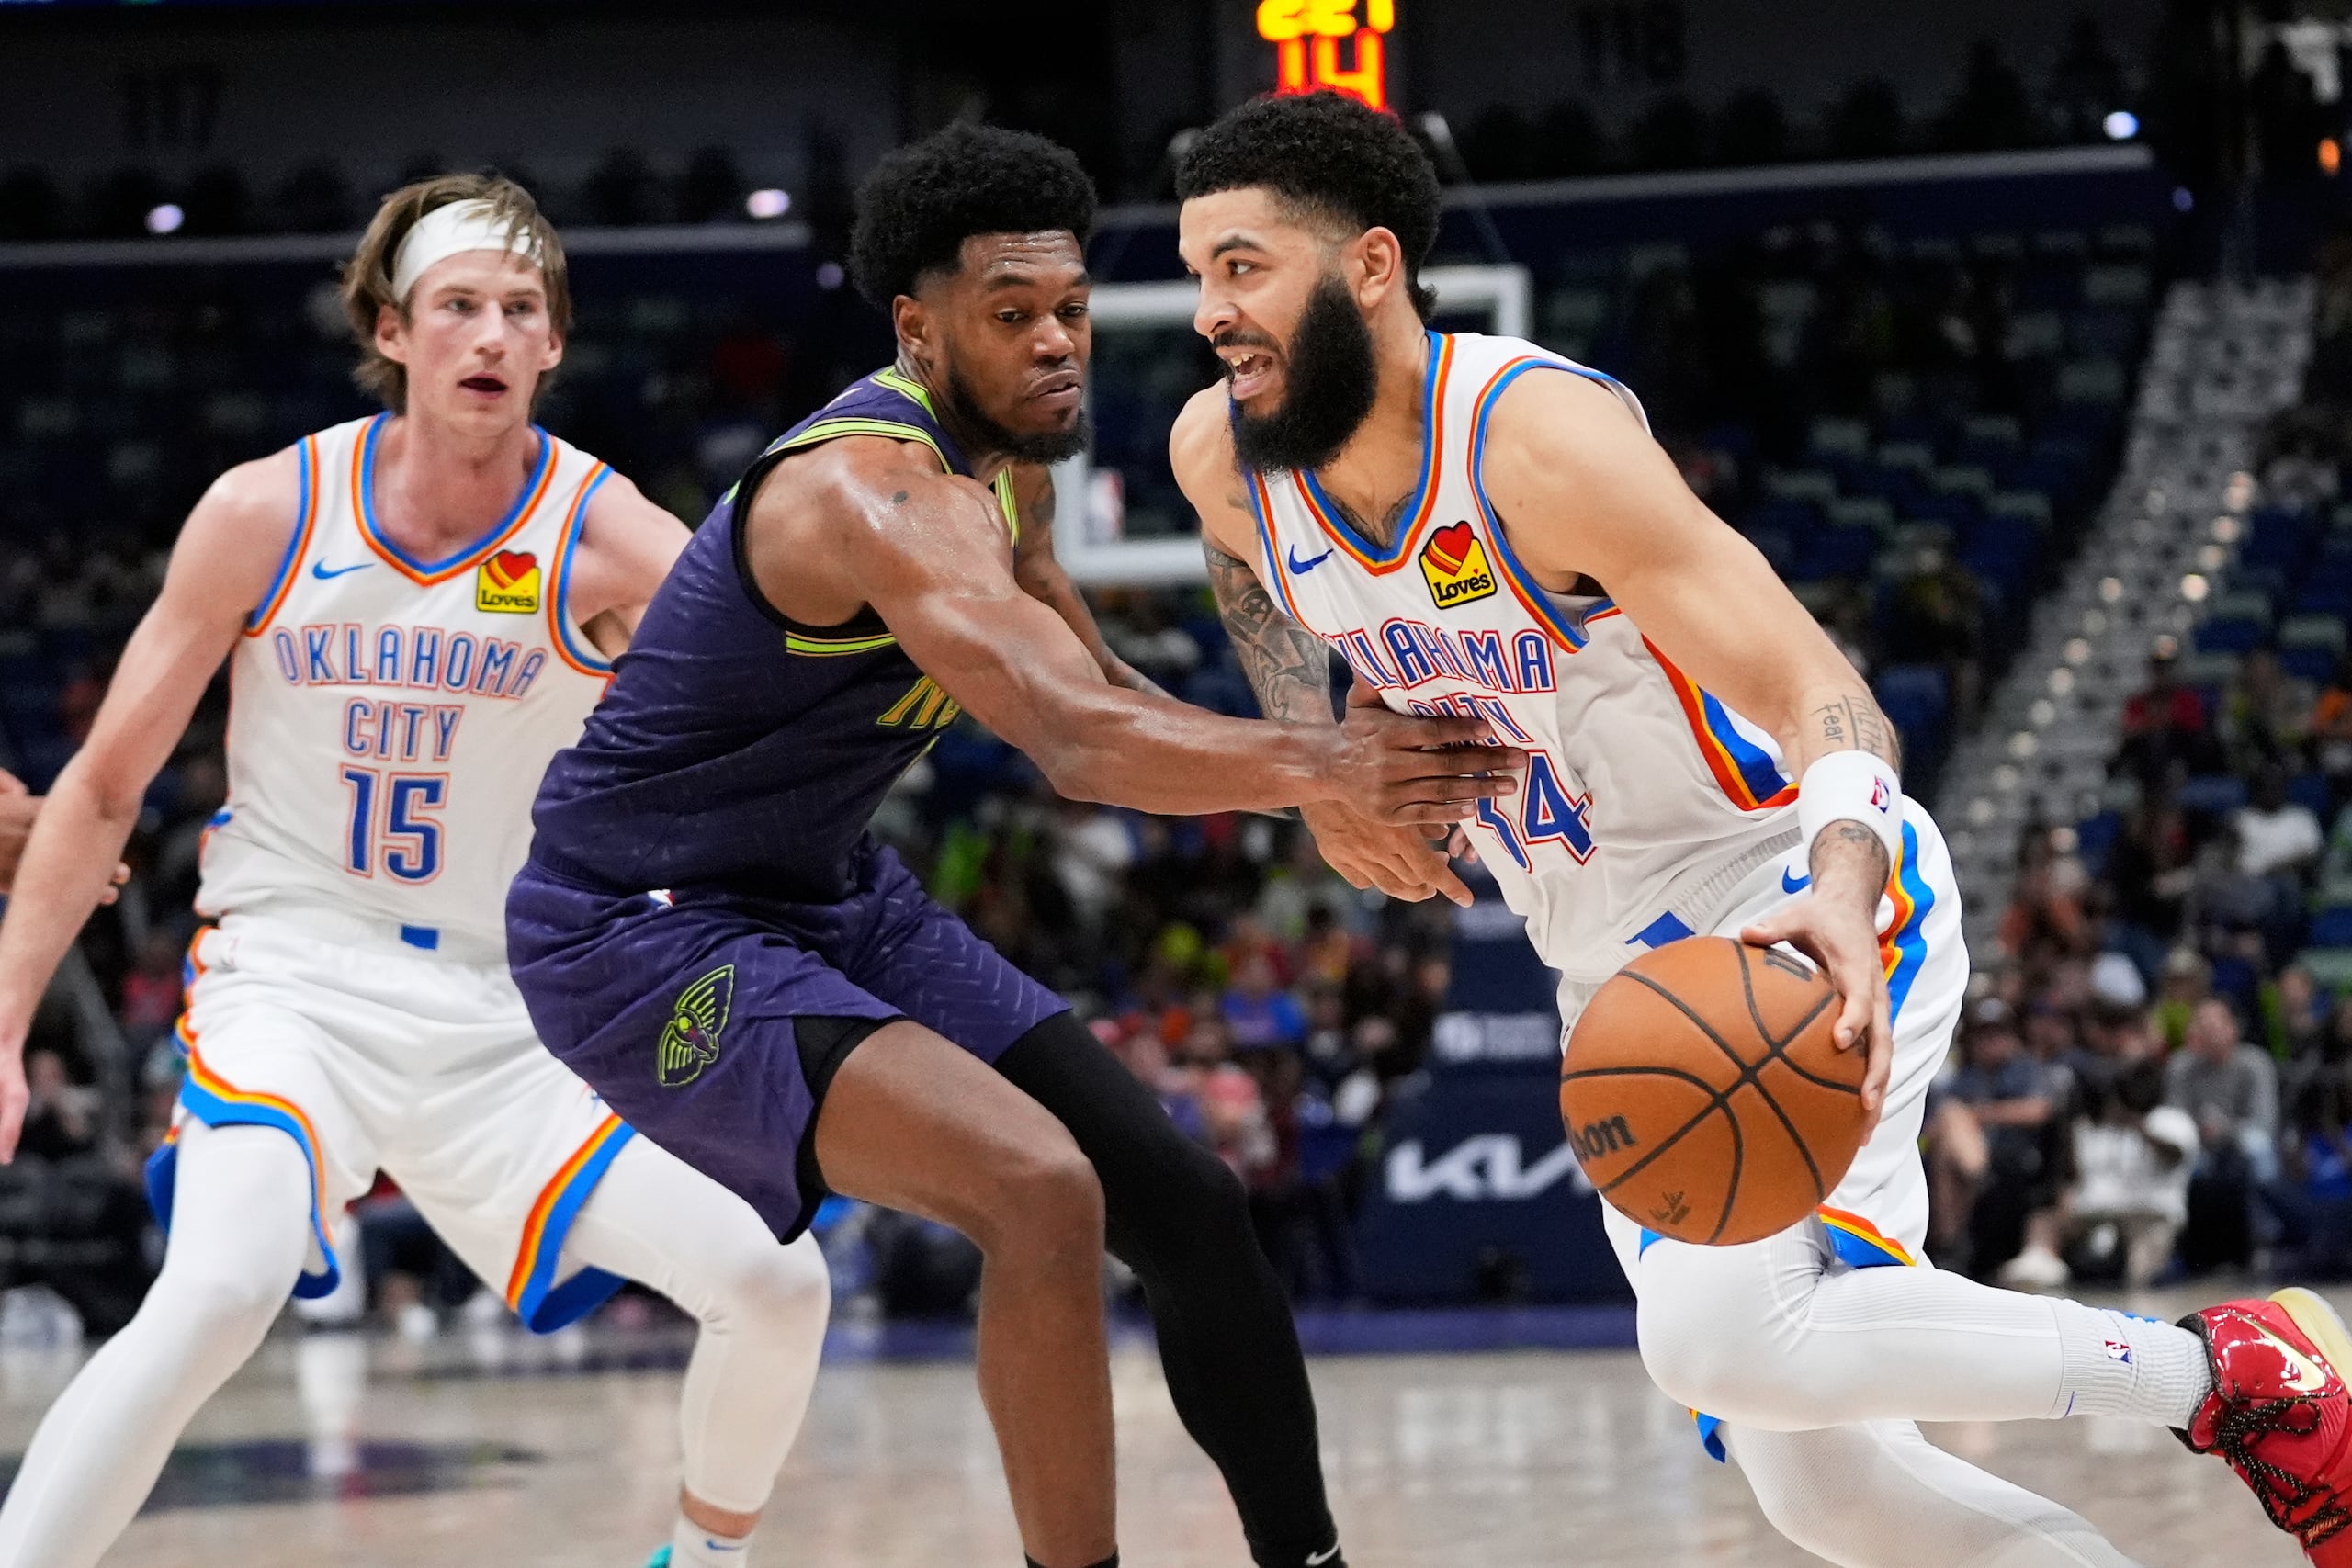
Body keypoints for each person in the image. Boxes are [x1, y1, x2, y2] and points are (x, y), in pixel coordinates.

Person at [1170, 89, 2350, 1568]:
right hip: (1609, 971)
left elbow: (1827, 697)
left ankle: (2231, 1378)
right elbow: (1249, 578)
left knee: (1723, 1341)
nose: (1211, 308)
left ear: (1371, 268)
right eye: (1200, 269)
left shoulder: (1536, 442)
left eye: (1244, 265)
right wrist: (1319, 761)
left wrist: (1845, 885)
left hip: (1783, 897)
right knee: (1829, 1489)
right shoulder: (1223, 456)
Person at [508, 125, 1521, 1568]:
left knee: (1184, 1200)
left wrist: (1332, 781)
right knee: (1037, 1190)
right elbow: (1066, 739)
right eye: (1010, 317)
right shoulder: (873, 494)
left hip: (830, 896)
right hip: (641, 934)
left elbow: (1108, 694)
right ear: (918, 329)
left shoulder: (1012, 479)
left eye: (1069, 312)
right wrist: (1321, 766)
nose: (1056, 345)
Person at [0, 175, 834, 1568]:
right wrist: (5, 1023)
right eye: (459, 306)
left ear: (555, 343)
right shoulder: (268, 511)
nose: (490, 335)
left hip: (515, 1012)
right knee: (219, 1288)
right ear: (394, 328)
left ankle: (707, 1560)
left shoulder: (609, 532)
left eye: (521, 309)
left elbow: (771, 727)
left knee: (776, 1277)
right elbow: (102, 785)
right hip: (294, 973)